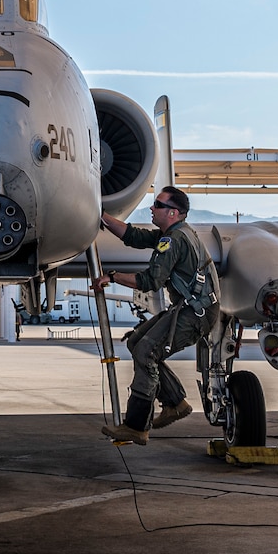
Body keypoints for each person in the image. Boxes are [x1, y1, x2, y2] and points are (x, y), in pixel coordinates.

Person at [95, 186, 219, 445]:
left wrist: (113, 277)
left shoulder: (174, 240)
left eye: (158, 205)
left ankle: (137, 426)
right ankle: (175, 403)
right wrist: (102, 216)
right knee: (135, 342)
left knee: (146, 352)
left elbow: (151, 280)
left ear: (173, 213)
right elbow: (134, 237)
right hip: (190, 308)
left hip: (196, 313)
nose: (152, 208)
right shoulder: (174, 233)